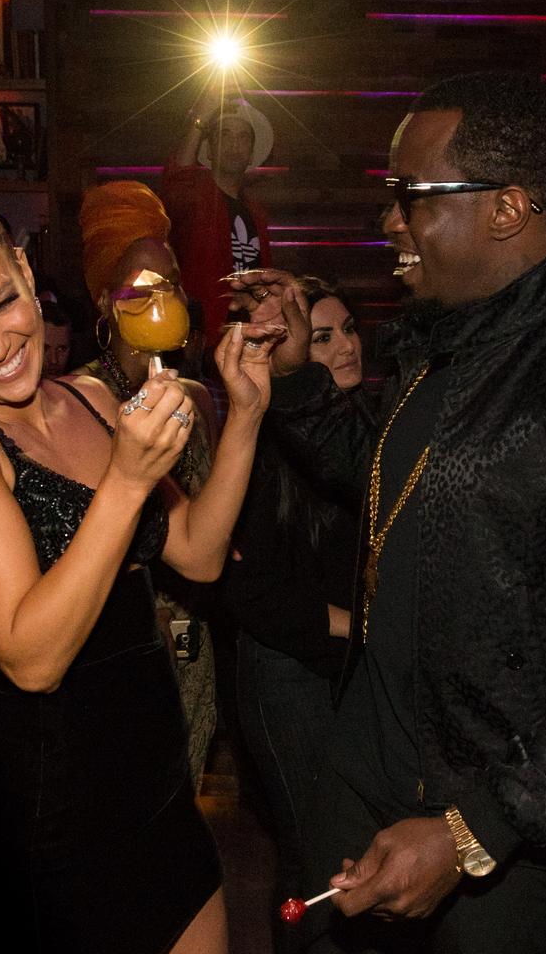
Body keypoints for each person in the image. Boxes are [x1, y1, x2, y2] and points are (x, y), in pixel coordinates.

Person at [0, 120, 274, 954]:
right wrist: (122, 482)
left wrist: (247, 414)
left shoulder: (85, 398)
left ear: (22, 267)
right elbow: (30, 656)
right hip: (51, 827)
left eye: (1, 302)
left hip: (158, 795)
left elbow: (191, 550)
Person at [229, 71, 546, 954]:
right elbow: (393, 478)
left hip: (518, 830)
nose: (390, 220)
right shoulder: (452, 339)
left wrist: (476, 831)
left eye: (411, 196)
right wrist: (293, 380)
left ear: (508, 208)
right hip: (372, 764)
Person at [220, 277, 370, 954]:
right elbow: (248, 588)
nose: (340, 346)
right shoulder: (263, 437)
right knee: (323, 870)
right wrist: (358, 627)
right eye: (321, 333)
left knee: (358, 864)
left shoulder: (371, 430)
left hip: (352, 669)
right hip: (288, 673)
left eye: (347, 330)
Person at [72, 180, 224, 792]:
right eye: (142, 289)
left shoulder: (196, 397)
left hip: (197, 627)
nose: (164, 299)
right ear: (108, 304)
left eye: (173, 285)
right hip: (125, 633)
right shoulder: (80, 401)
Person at [161, 85, 273, 345]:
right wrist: (201, 118)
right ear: (209, 149)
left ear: (251, 153)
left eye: (243, 137)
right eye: (225, 135)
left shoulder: (256, 212)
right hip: (205, 339)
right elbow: (177, 177)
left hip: (252, 335)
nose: (234, 144)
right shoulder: (195, 198)